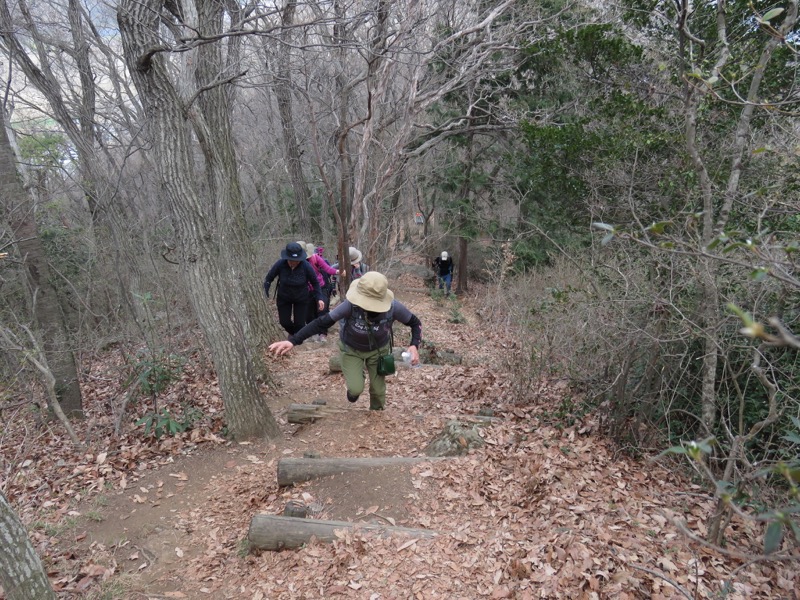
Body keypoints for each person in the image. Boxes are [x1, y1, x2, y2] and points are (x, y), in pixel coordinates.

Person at [269, 272, 421, 411]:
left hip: (378, 351)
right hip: (351, 350)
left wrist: (414, 345)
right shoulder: (350, 306)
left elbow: (415, 323)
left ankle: (376, 415)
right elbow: (322, 322)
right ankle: (356, 380)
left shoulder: (393, 307)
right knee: (355, 389)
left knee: (378, 390)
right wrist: (293, 341)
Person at [263, 242, 325, 336]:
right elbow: (269, 278)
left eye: (297, 260)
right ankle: (294, 334)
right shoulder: (280, 264)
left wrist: (319, 298)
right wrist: (266, 290)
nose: (294, 262)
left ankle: (297, 339)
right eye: (292, 260)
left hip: (301, 298)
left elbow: (315, 283)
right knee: (285, 322)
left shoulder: (306, 266)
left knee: (300, 324)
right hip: (284, 297)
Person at [305, 243, 340, 339]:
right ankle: (312, 332)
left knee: (322, 310)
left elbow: (328, 269)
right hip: (306, 290)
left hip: (321, 287)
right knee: (309, 313)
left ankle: (323, 333)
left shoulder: (316, 258)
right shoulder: (299, 262)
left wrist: (338, 272)